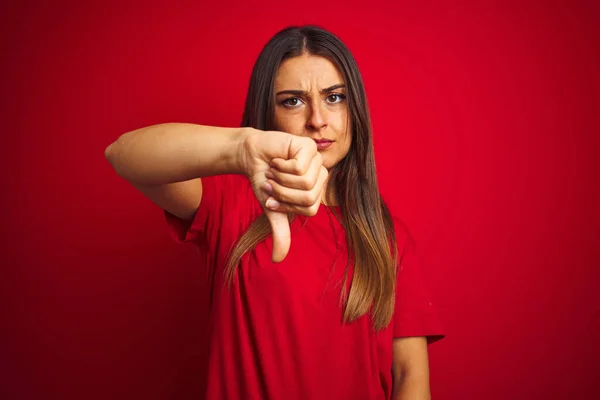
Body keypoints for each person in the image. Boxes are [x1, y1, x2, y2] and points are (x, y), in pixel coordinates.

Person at [105, 25, 444, 400]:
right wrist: (241, 147)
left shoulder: (389, 237)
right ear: (267, 111)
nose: (317, 119)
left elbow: (408, 375)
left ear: (355, 109)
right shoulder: (230, 200)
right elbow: (123, 155)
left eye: (334, 98)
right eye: (293, 101)